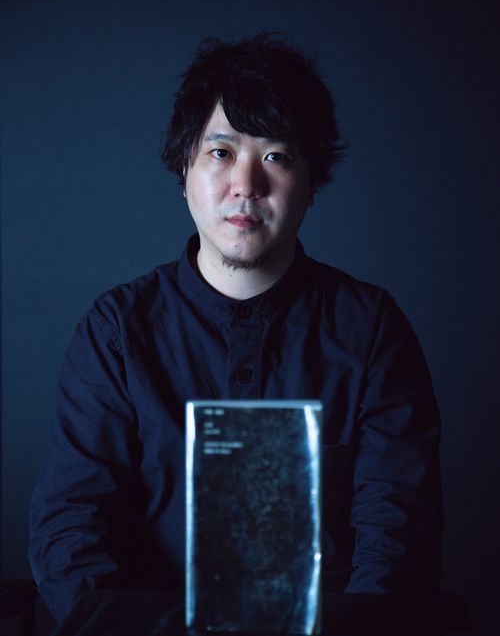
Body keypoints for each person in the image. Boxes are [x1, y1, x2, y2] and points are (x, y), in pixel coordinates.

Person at [29, 33, 443, 623]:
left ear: (312, 182)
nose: (246, 185)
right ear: (184, 172)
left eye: (276, 156)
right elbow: (71, 532)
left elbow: (396, 534)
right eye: (221, 152)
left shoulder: (372, 331)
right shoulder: (116, 332)